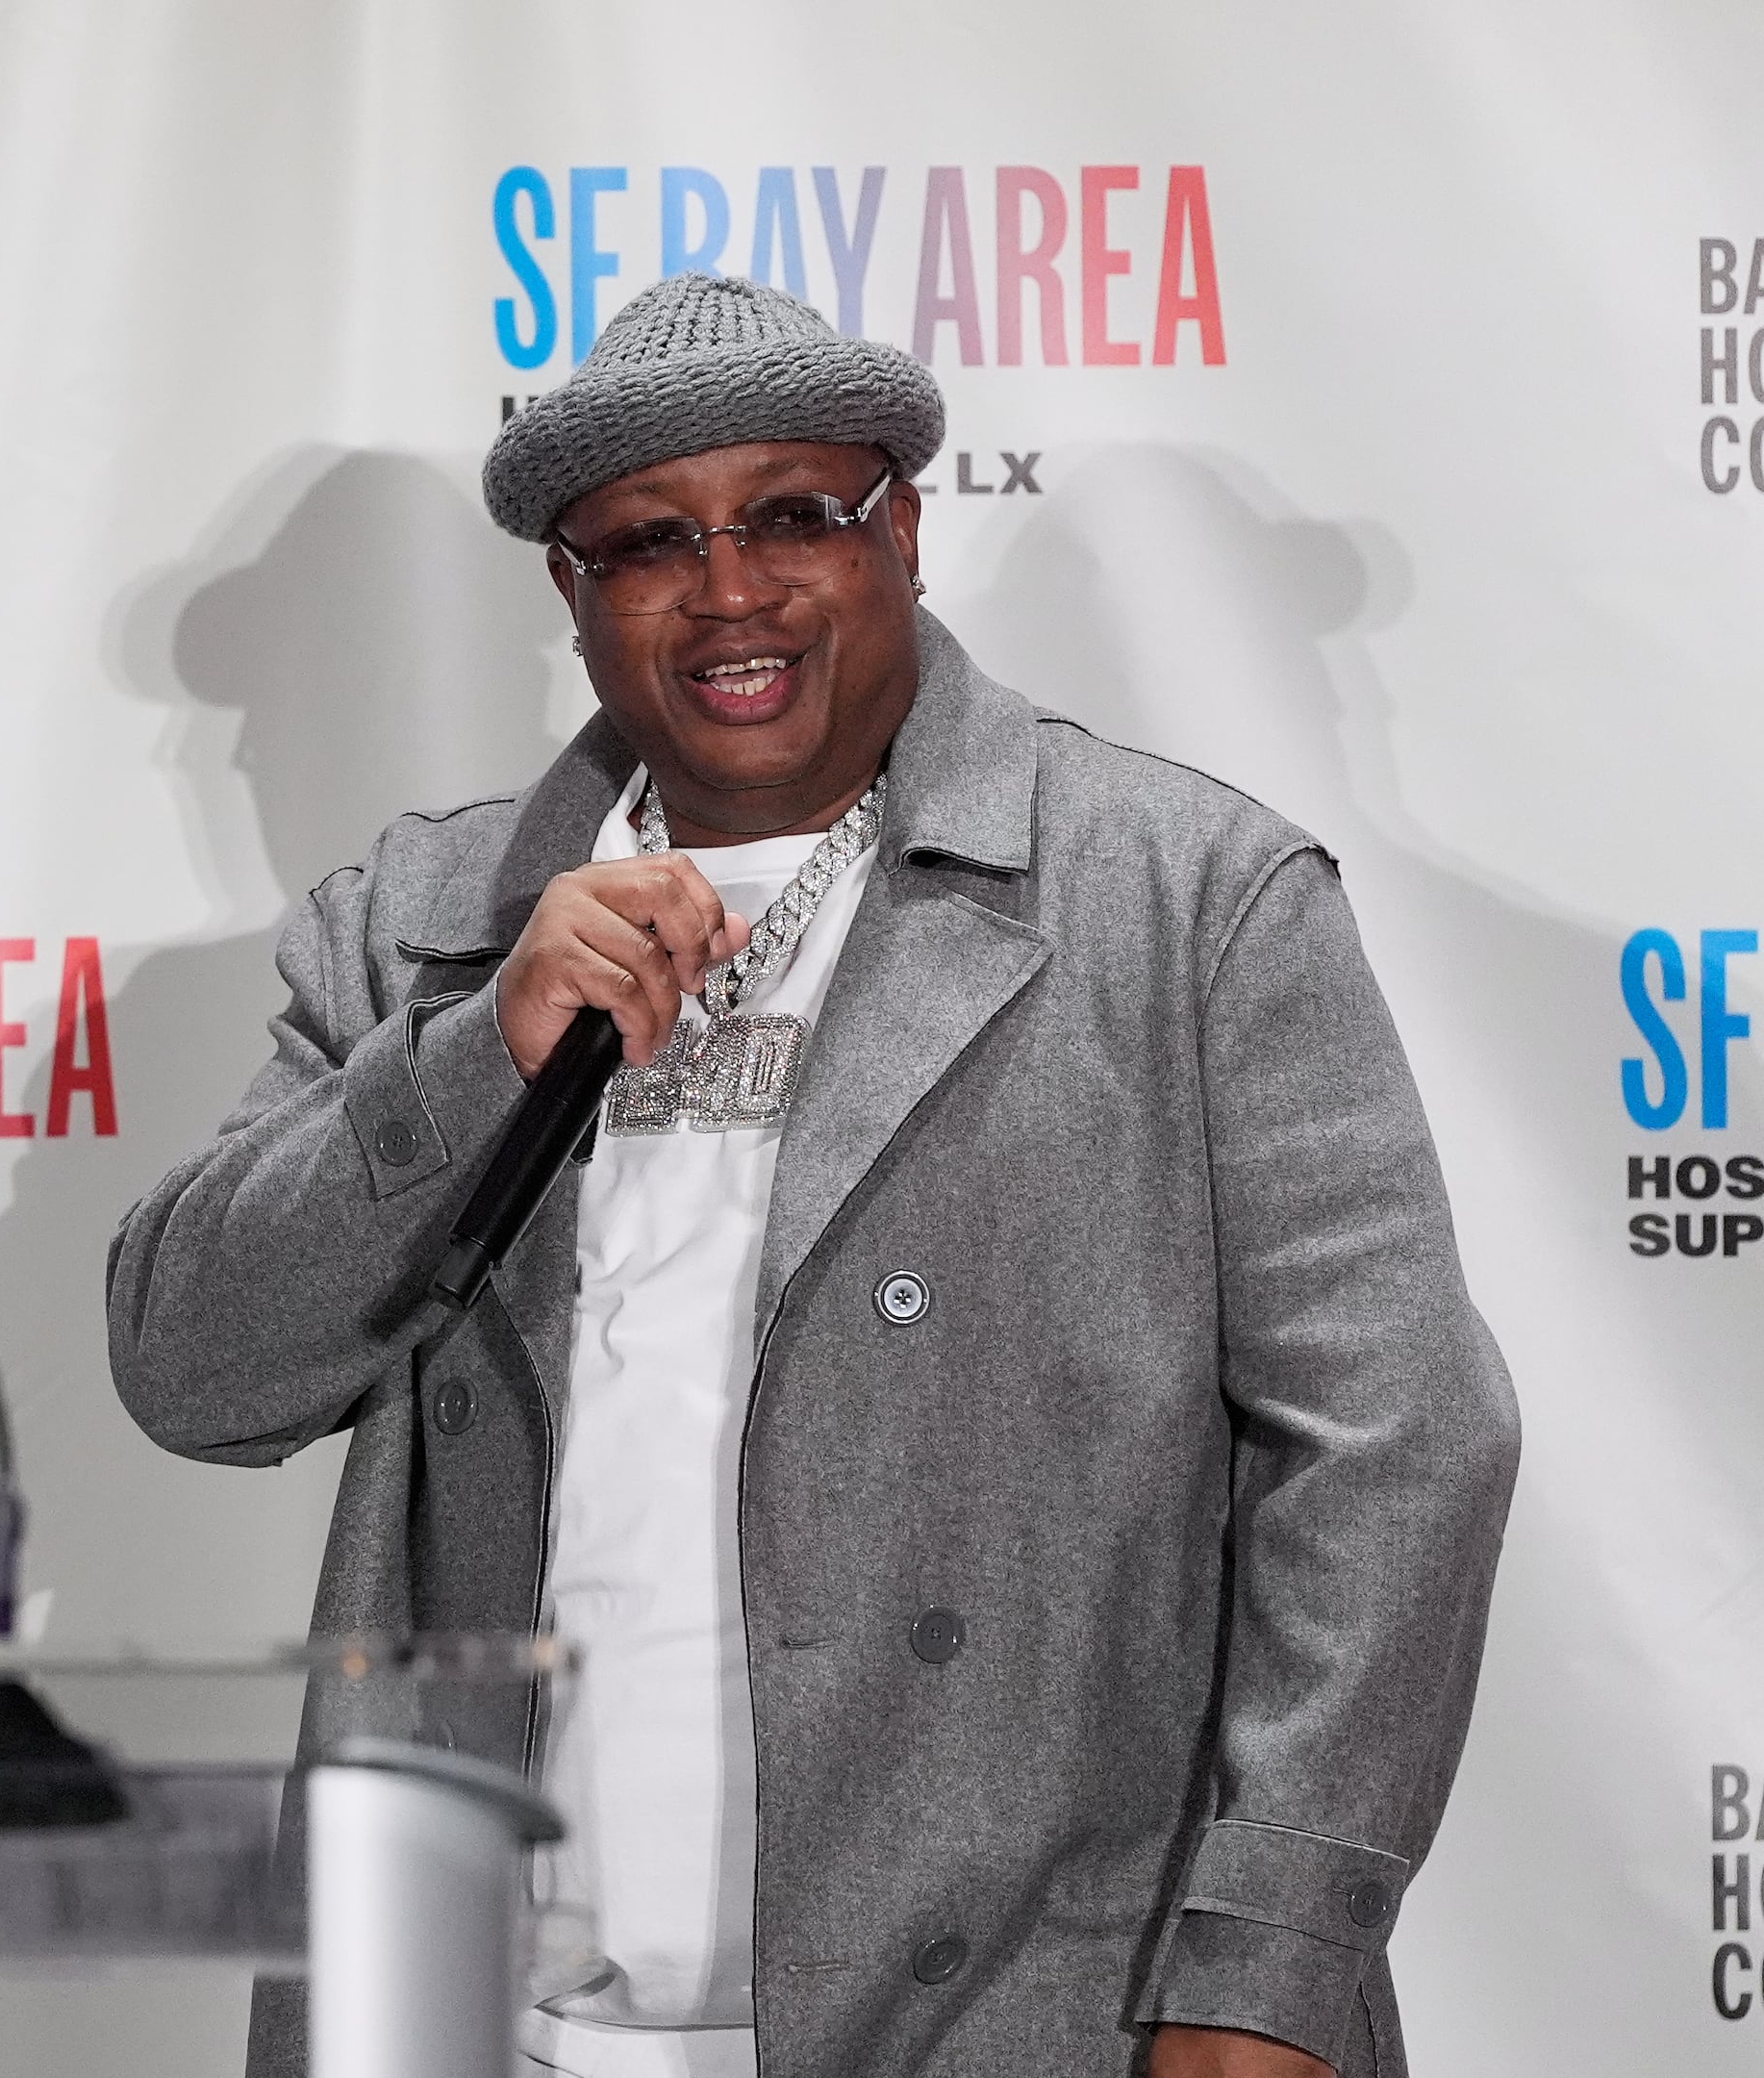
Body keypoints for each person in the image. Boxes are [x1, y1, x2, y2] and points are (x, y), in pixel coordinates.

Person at [106, 272, 1516, 2078]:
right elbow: (190, 1373)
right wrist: (469, 1060)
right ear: (573, 590)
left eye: (794, 514)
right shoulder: (425, 925)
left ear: (904, 530)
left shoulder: (1186, 898)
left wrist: (1269, 1965)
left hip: (1037, 2010)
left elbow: (1402, 1446)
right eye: (646, 542)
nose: (729, 589)